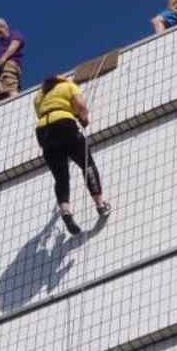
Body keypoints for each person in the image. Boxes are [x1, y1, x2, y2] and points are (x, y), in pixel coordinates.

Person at [34, 75, 111, 235]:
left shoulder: (39, 96)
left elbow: (43, 113)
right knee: (86, 163)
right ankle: (100, 204)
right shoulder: (68, 86)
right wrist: (83, 119)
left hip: (43, 131)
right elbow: (81, 105)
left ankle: (65, 210)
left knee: (61, 176)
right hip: (64, 124)